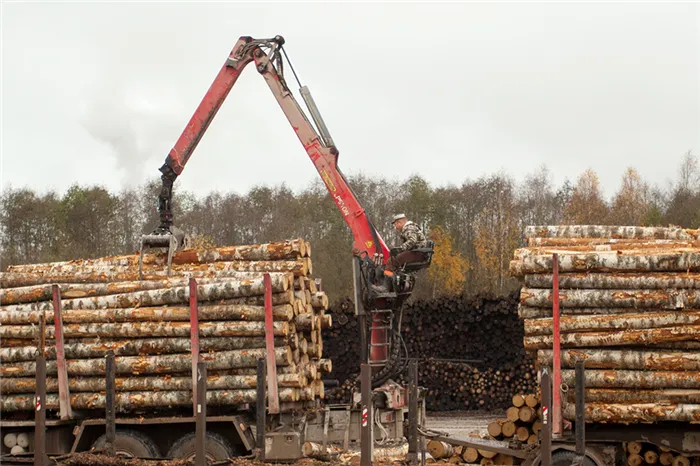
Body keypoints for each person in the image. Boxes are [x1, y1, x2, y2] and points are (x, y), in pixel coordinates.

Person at [371, 214, 428, 293]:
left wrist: (401, 249)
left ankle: (385, 287)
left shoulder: (409, 228)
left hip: (417, 253)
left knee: (391, 262)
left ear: (399, 222)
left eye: (395, 225)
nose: (396, 227)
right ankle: (395, 284)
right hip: (418, 253)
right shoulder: (410, 228)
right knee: (395, 263)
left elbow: (412, 241)